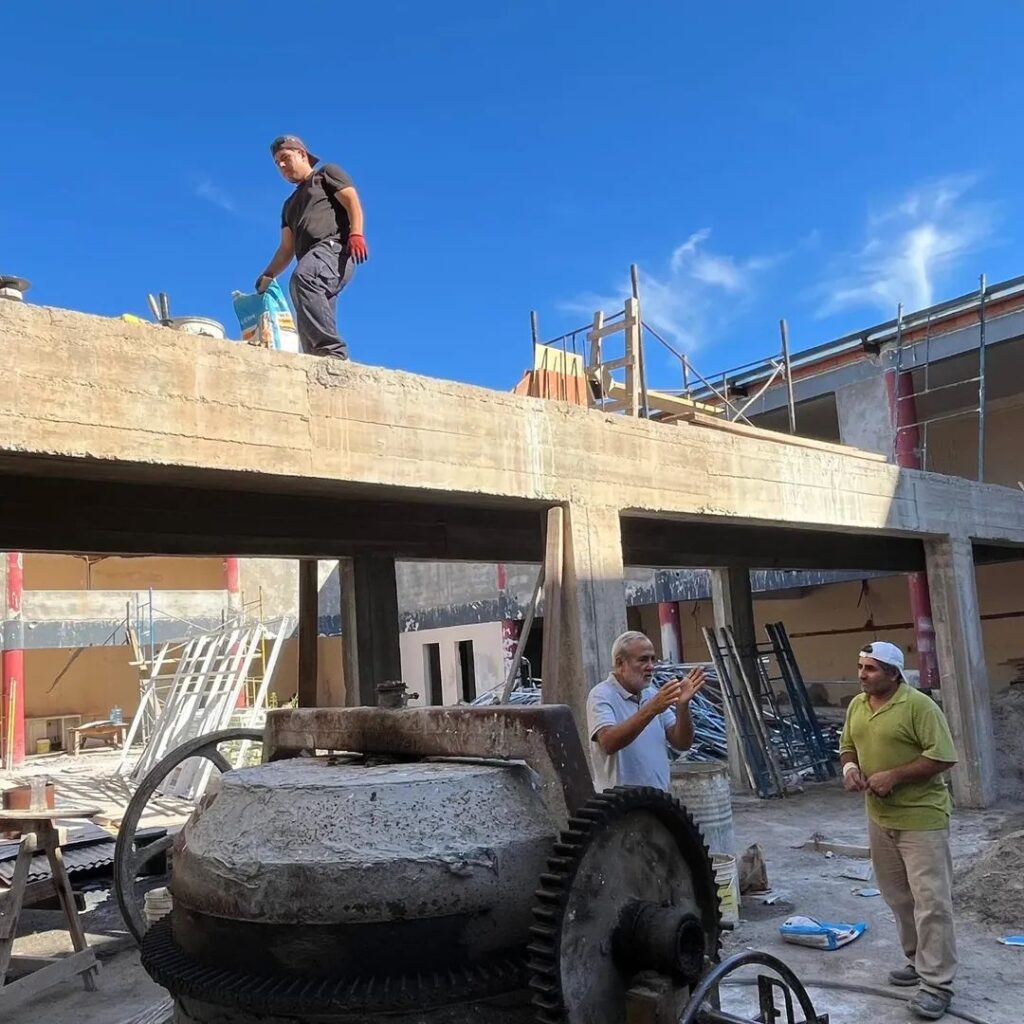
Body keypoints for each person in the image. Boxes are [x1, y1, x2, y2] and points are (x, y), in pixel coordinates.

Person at [839, 640, 958, 1021]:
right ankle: (917, 961)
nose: (862, 674)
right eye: (860, 666)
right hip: (879, 817)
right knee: (898, 898)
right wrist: (850, 770)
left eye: (871, 669)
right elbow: (847, 747)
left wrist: (896, 775)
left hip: (921, 819)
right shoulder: (857, 705)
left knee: (932, 902)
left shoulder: (920, 706)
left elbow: (942, 756)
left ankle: (937, 984)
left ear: (893, 674)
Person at [256, 135, 368, 359]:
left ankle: (332, 351)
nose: (282, 166)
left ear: (302, 154)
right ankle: (319, 359)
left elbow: (351, 200)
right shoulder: (288, 206)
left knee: (303, 279)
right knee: (310, 303)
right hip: (312, 259)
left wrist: (356, 233)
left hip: (334, 250)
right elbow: (286, 248)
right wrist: (267, 275)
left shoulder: (326, 174)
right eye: (278, 163)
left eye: (286, 158)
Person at [586, 630, 706, 792]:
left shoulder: (652, 694)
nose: (651, 667)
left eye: (652, 659)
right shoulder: (601, 695)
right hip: (621, 805)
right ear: (621, 664)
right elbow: (608, 743)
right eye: (643, 660)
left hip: (657, 802)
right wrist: (652, 708)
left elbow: (682, 743)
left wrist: (682, 707)